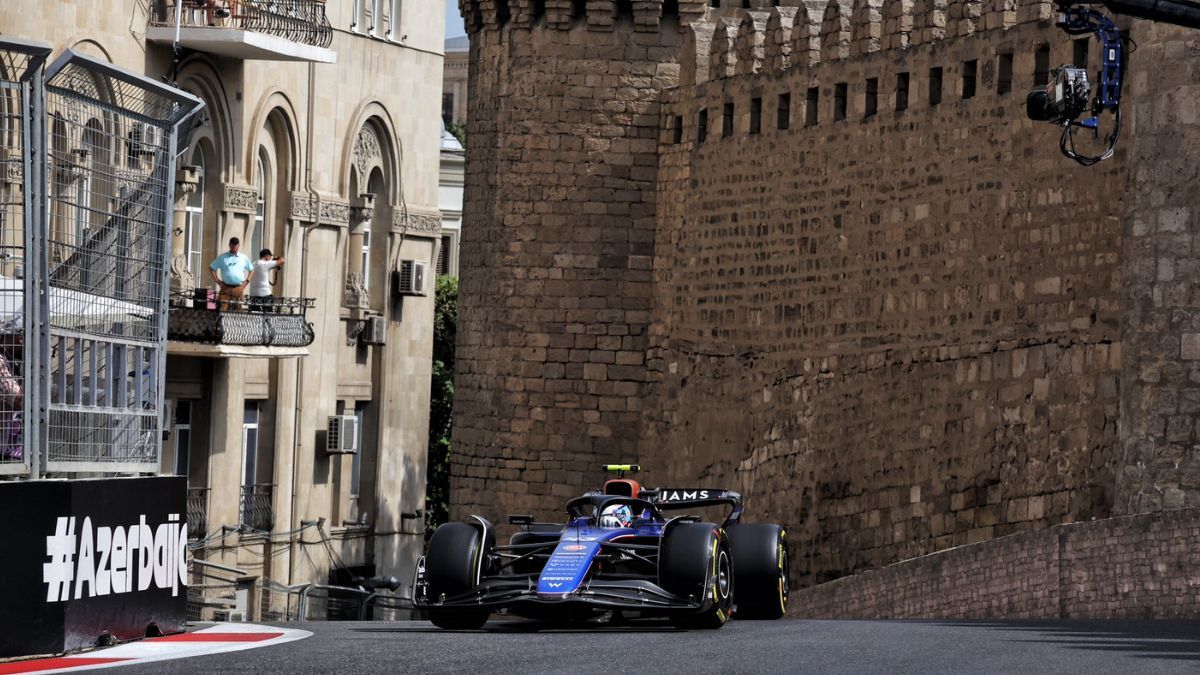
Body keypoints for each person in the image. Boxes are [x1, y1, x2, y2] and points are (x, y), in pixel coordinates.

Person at [209, 237, 253, 310]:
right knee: (223, 309)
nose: (234, 248)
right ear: (229, 245)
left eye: (236, 246)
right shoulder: (222, 257)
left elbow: (252, 270)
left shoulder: (243, 257)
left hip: (238, 288)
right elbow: (212, 268)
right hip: (225, 288)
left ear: (238, 245)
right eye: (232, 245)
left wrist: (246, 282)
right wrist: (218, 281)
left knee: (237, 310)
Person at [248, 248, 284, 312]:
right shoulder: (266, 264)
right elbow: (282, 260)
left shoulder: (253, 264)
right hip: (265, 294)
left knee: (254, 315)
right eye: (270, 257)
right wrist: (277, 257)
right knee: (268, 315)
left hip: (253, 294)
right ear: (267, 257)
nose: (270, 259)